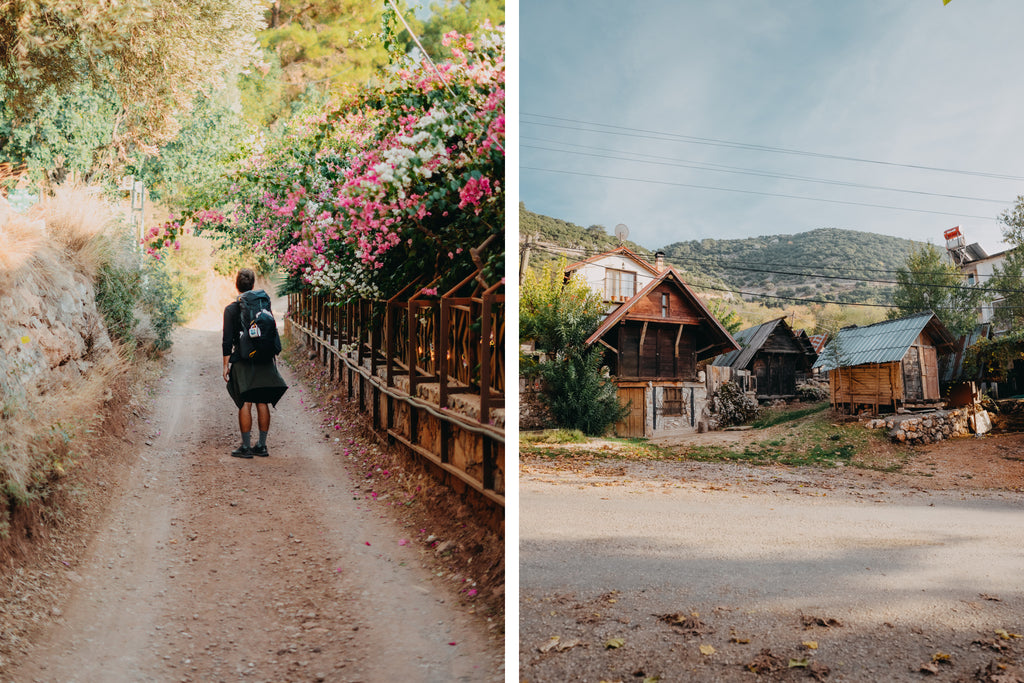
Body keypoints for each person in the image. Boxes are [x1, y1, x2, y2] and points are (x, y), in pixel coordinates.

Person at [222, 268, 288, 458]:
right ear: (252, 285)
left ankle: (245, 447)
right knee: (262, 401)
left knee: (245, 401)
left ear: (237, 284)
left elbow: (227, 342)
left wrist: (225, 365)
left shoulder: (231, 309)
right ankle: (262, 445)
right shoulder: (262, 304)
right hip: (264, 357)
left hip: (243, 360)